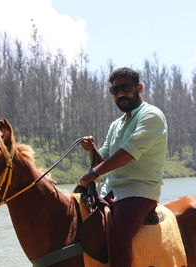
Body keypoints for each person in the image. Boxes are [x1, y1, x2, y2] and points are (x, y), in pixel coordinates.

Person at [79, 67, 168, 267]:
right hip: (110, 189)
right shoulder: (116, 125)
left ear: (139, 87)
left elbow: (128, 153)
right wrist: (92, 149)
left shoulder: (151, 116)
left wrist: (94, 173)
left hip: (139, 190)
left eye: (125, 88)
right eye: (115, 90)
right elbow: (103, 159)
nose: (120, 94)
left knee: (119, 235)